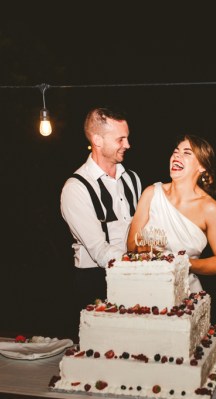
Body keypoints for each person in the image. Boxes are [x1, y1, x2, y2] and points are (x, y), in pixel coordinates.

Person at [60, 106, 141, 324]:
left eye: (127, 138)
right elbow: (99, 250)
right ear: (97, 140)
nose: (128, 145)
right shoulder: (76, 188)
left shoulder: (132, 179)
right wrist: (140, 270)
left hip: (134, 276)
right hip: (95, 281)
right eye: (120, 139)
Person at [127, 134, 216, 292]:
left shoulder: (211, 209)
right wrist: (143, 251)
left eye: (187, 153)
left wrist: (183, 263)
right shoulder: (151, 193)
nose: (177, 155)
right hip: (143, 286)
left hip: (184, 291)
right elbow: (131, 244)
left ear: (202, 166)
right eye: (176, 151)